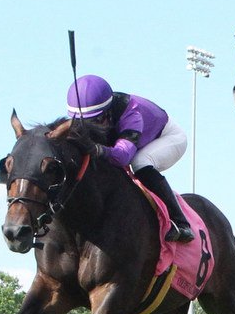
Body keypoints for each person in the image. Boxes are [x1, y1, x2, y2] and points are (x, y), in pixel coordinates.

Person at [66, 74, 194, 243]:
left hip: (167, 138)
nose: (91, 127)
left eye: (96, 120)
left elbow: (123, 157)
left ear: (108, 111)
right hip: (136, 143)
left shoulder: (131, 113)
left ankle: (181, 223)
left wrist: (98, 149)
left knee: (140, 162)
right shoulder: (95, 112)